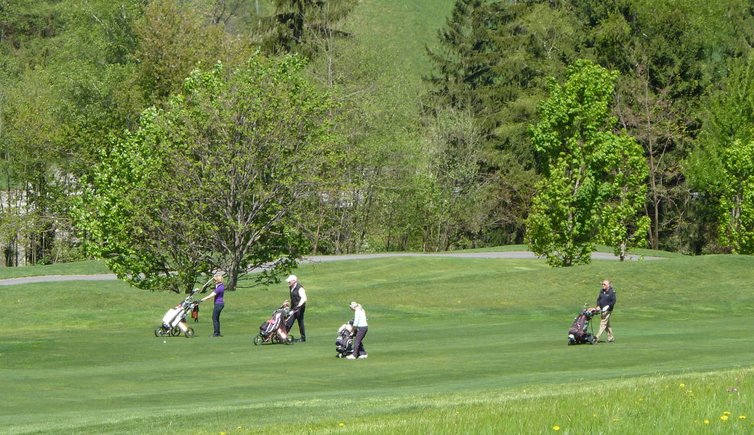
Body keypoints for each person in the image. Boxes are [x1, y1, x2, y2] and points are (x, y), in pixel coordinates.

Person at [284, 275, 307, 342]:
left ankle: (303, 338)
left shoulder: (300, 288)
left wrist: (298, 306)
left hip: (299, 308)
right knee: (289, 321)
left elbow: (304, 298)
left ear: (294, 281)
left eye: (289, 281)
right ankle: (283, 335)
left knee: (300, 322)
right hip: (293, 307)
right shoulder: (291, 287)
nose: (288, 282)